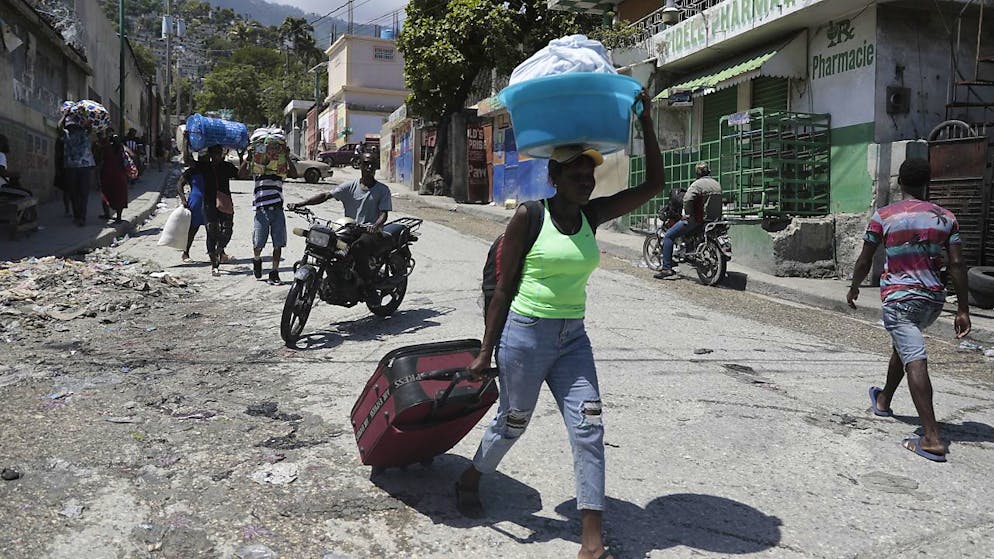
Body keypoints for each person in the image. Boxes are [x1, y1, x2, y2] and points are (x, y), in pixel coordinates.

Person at [457, 90, 663, 559]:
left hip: (574, 339)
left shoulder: (593, 215)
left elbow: (653, 184)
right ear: (555, 177)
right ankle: (470, 478)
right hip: (525, 336)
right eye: (576, 173)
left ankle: (592, 544)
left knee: (589, 425)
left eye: (589, 173)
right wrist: (486, 352)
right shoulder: (530, 216)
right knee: (512, 424)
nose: (586, 181)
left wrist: (646, 122)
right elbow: (504, 289)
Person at [847, 158, 971, 463]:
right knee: (902, 346)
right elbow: (956, 265)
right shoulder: (945, 218)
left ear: (900, 183)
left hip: (900, 299)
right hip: (932, 300)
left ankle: (930, 438)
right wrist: (963, 310)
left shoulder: (884, 216)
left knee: (914, 357)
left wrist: (854, 286)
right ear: (926, 183)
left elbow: (865, 259)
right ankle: (884, 399)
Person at [287, 152, 392, 301]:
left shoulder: (382, 190)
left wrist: (375, 226)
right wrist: (300, 204)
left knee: (358, 247)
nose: (368, 167)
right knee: (330, 245)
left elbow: (384, 214)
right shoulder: (350, 186)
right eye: (365, 164)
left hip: (370, 231)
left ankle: (368, 287)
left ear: (376, 167)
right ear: (360, 165)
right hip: (350, 227)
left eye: (372, 165)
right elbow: (326, 196)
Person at [653, 163, 722, 279]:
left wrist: (687, 214)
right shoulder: (716, 184)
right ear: (708, 171)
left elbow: (687, 199)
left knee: (669, 236)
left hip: (698, 220)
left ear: (697, 173)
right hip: (713, 220)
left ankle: (667, 269)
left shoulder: (697, 184)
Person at [179, 146, 239, 275]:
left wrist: (249, 157)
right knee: (211, 231)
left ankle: (219, 251)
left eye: (218, 153)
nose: (216, 155)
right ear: (210, 154)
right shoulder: (204, 166)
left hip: (225, 202)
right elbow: (187, 160)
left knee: (227, 230)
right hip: (208, 203)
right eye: (214, 153)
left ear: (222, 153)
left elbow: (241, 174)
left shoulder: (227, 166)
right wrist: (185, 141)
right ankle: (214, 265)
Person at [248, 160, 298, 284]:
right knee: (258, 243)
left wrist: (287, 157)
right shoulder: (258, 172)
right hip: (262, 211)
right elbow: (241, 174)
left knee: (278, 243)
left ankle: (274, 271)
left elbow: (294, 174)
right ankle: (257, 259)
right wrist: (249, 158)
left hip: (277, 210)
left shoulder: (279, 173)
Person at [60, 115, 97, 227]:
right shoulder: (69, 134)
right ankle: (80, 217)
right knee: (81, 193)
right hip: (82, 167)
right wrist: (64, 116)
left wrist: (64, 117)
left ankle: (79, 217)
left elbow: (58, 128)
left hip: (74, 167)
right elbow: (59, 129)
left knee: (76, 193)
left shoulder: (70, 134)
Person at [97, 134, 129, 222]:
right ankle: (118, 217)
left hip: (107, 175)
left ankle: (107, 214)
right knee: (120, 196)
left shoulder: (106, 148)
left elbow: (100, 159)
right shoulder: (122, 150)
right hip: (120, 176)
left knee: (106, 194)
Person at [0, 134, 32, 199]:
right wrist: (16, 174)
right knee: (28, 194)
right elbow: (2, 173)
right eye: (6, 143)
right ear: (2, 144)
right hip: (2, 188)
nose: (8, 145)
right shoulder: (1, 155)